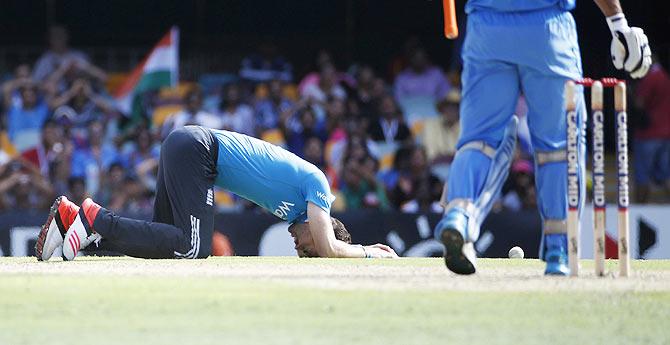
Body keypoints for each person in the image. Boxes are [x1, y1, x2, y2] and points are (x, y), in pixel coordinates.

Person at [434, 0, 652, 275]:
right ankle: (558, 248)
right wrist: (617, 22)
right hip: (547, 29)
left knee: (479, 139)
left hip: (486, 28)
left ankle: (459, 213)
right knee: (559, 145)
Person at [35, 126, 398, 261]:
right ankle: (92, 216)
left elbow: (324, 243)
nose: (297, 245)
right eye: (307, 246)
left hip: (189, 149)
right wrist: (368, 252)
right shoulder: (318, 186)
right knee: (194, 248)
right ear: (324, 228)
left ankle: (82, 234)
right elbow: (332, 249)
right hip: (198, 150)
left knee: (164, 244)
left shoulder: (290, 212)